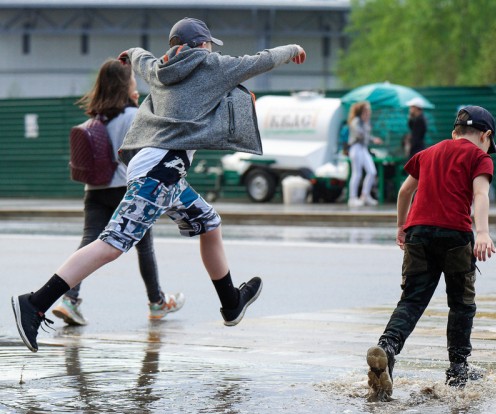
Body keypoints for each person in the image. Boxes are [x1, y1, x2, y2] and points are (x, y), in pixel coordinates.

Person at [11, 17, 307, 352]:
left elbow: (140, 58)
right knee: (112, 244)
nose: (211, 49)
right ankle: (35, 303)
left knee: (209, 223)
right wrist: (293, 49)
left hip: (161, 168)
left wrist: (131, 53)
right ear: (202, 44)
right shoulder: (213, 65)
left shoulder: (160, 69)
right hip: (160, 171)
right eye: (209, 43)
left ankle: (231, 302)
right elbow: (260, 59)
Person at [366, 105, 496, 401]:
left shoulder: (427, 153)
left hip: (418, 234)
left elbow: (404, 192)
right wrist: (483, 232)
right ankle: (457, 370)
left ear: (455, 132)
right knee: (461, 304)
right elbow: (480, 194)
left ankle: (387, 349)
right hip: (455, 235)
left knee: (412, 300)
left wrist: (402, 227)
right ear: (486, 136)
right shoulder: (479, 157)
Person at [52, 58, 185, 327]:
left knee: (89, 243)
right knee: (144, 247)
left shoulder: (96, 118)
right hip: (126, 189)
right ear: (126, 86)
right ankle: (157, 303)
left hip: (95, 191)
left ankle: (69, 299)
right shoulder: (133, 116)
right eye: (133, 82)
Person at [346, 101, 383, 208]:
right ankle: (352, 198)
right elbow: (359, 134)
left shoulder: (365, 122)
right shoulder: (356, 121)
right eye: (366, 110)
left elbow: (367, 136)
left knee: (372, 172)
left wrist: (373, 139)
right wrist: (365, 123)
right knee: (357, 173)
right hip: (356, 148)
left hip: (363, 148)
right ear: (361, 111)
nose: (368, 112)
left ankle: (365, 195)